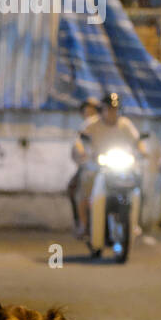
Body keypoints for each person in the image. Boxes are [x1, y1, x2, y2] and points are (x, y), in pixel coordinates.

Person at [74, 92, 146, 239]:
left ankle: (135, 222)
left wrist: (143, 151)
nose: (112, 113)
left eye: (115, 109)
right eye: (109, 109)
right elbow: (79, 141)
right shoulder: (93, 124)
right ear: (103, 110)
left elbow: (137, 141)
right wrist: (81, 151)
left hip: (121, 164)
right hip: (97, 165)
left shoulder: (125, 124)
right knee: (85, 185)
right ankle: (83, 224)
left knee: (138, 184)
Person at [68, 96, 101, 230]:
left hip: (110, 166)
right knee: (75, 188)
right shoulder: (86, 127)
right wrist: (82, 153)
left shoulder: (107, 124)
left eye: (92, 111)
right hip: (89, 166)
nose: (89, 115)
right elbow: (77, 143)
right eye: (86, 112)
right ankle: (82, 222)